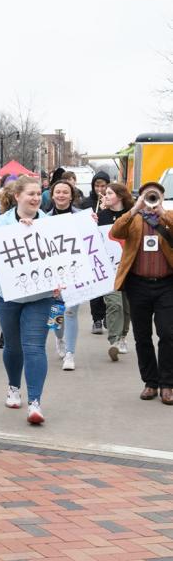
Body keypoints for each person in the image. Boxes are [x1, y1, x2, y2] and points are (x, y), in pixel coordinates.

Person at [0, 175, 54, 425]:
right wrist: (18, 232)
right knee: (13, 346)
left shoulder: (50, 223)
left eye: (38, 194)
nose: (36, 198)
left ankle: (35, 402)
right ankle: (14, 387)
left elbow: (61, 256)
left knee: (35, 347)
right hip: (9, 294)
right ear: (17, 197)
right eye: (31, 194)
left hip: (40, 295)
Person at [110, 181, 173, 405]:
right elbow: (115, 231)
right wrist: (135, 208)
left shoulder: (168, 216)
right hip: (138, 285)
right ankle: (150, 383)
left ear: (162, 198)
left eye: (154, 196)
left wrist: (163, 213)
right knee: (142, 336)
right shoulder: (134, 218)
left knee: (168, 334)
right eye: (147, 196)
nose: (151, 200)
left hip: (167, 285)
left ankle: (168, 384)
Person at [46, 179, 82, 371]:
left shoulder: (82, 217)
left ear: (71, 195)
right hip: (53, 273)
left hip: (75, 271)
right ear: (52, 195)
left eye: (65, 192)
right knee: (57, 313)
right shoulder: (43, 218)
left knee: (71, 311)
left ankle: (70, 353)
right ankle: (59, 339)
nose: (61, 195)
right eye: (57, 192)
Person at [98, 183, 133, 361]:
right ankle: (114, 340)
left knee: (127, 307)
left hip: (128, 269)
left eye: (110, 193)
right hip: (108, 270)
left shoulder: (131, 216)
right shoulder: (101, 216)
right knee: (114, 304)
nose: (106, 196)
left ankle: (122, 337)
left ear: (119, 196)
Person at [82, 171, 111, 334]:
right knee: (96, 285)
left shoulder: (112, 201)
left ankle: (108, 315)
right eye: (97, 185)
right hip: (91, 248)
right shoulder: (87, 202)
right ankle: (97, 319)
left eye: (103, 185)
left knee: (109, 285)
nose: (100, 188)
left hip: (108, 248)